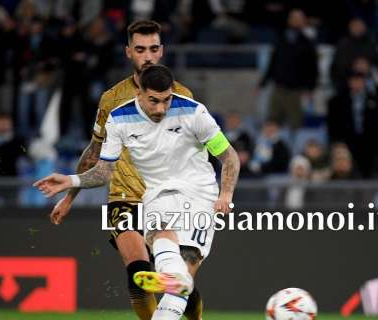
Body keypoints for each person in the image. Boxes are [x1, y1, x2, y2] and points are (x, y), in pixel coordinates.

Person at [35, 65, 240, 319]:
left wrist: (226, 195)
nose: (161, 108)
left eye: (166, 100)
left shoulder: (194, 112)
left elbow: (230, 158)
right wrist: (71, 180)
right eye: (154, 101)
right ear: (139, 93)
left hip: (200, 194)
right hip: (156, 194)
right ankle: (175, 277)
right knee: (165, 245)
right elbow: (104, 172)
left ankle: (176, 277)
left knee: (184, 262)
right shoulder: (119, 118)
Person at [44, 20, 202, 320]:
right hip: (124, 195)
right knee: (139, 274)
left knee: (180, 286)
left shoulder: (182, 96)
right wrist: (69, 197)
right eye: (140, 49)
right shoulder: (112, 100)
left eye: (154, 49)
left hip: (168, 197)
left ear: (162, 51)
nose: (148, 57)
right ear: (129, 52)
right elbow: (94, 153)